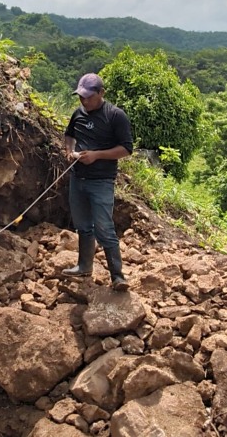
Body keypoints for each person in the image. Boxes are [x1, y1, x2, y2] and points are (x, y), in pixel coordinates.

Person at [61, 73, 134, 291]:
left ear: (101, 93)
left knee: (104, 228)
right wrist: (69, 151)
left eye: (88, 97)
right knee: (83, 225)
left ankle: (118, 276)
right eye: (81, 97)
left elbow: (126, 149)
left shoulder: (115, 116)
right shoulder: (78, 113)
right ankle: (84, 266)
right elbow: (69, 135)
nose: (84, 101)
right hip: (78, 178)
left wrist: (96, 155)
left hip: (101, 180)